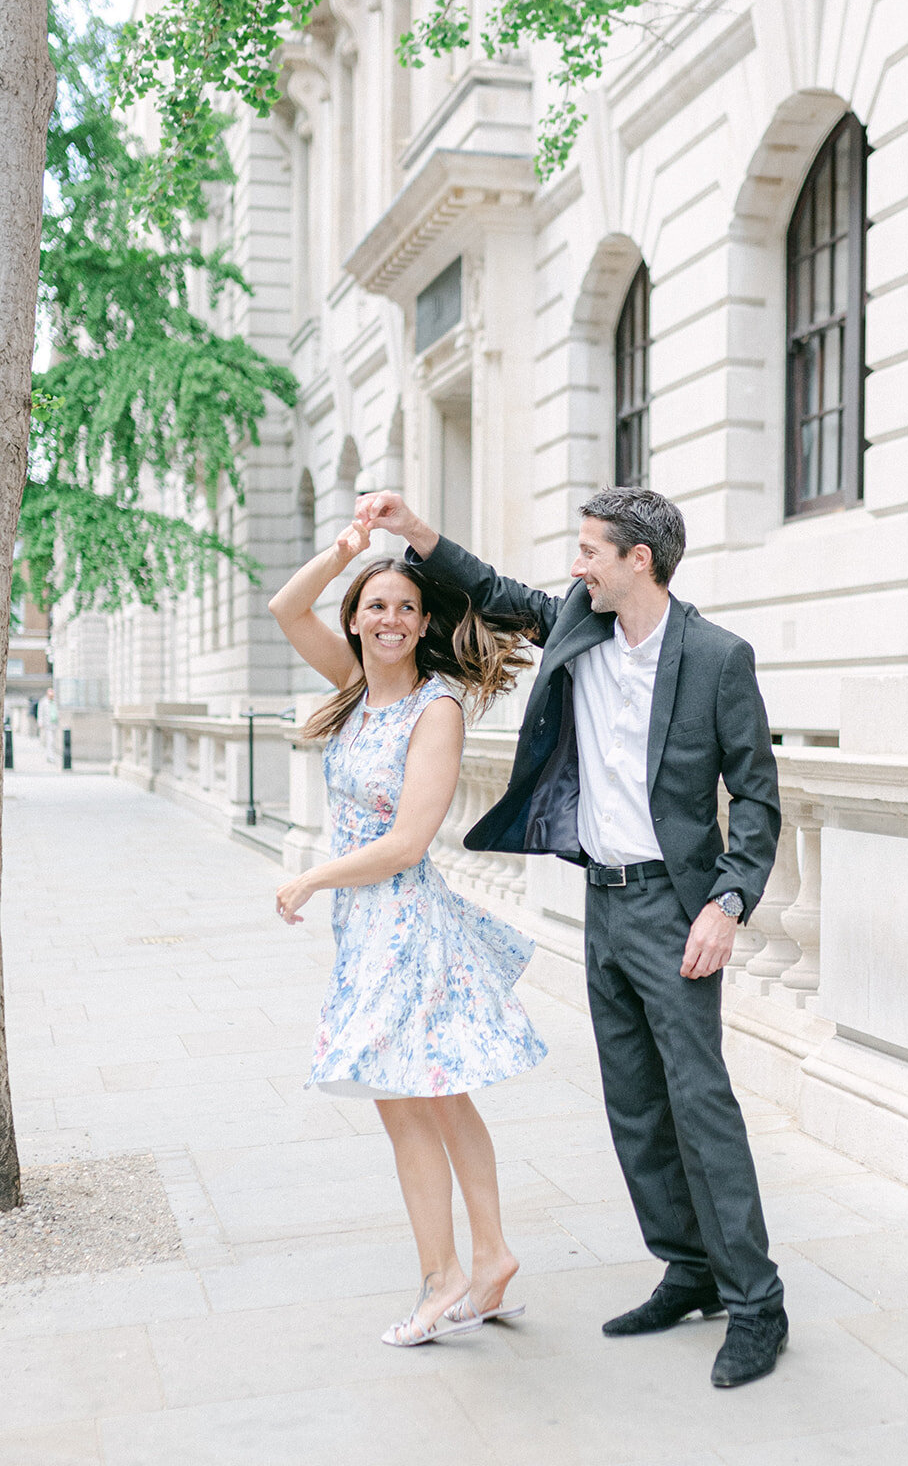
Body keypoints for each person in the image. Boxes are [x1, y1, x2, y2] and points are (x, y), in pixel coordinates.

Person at [354, 486, 788, 1389]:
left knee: (699, 1103)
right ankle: (688, 1270)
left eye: (591, 548)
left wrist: (728, 902)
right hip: (603, 901)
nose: (576, 563)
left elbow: (756, 796)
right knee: (632, 1100)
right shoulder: (576, 629)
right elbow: (487, 585)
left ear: (641, 559)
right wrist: (412, 531)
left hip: (678, 909)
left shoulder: (717, 658)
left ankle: (757, 1304)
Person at [268, 518, 547, 1347]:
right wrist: (347, 552)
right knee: (440, 1093)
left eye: (407, 607)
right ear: (356, 617)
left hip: (405, 923)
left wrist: (311, 876)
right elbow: (286, 607)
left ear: (426, 624)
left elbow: (408, 842)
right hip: (367, 927)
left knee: (410, 1105)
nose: (390, 619)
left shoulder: (437, 707)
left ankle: (444, 1278)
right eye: (375, 606)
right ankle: (490, 1257)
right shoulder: (355, 685)